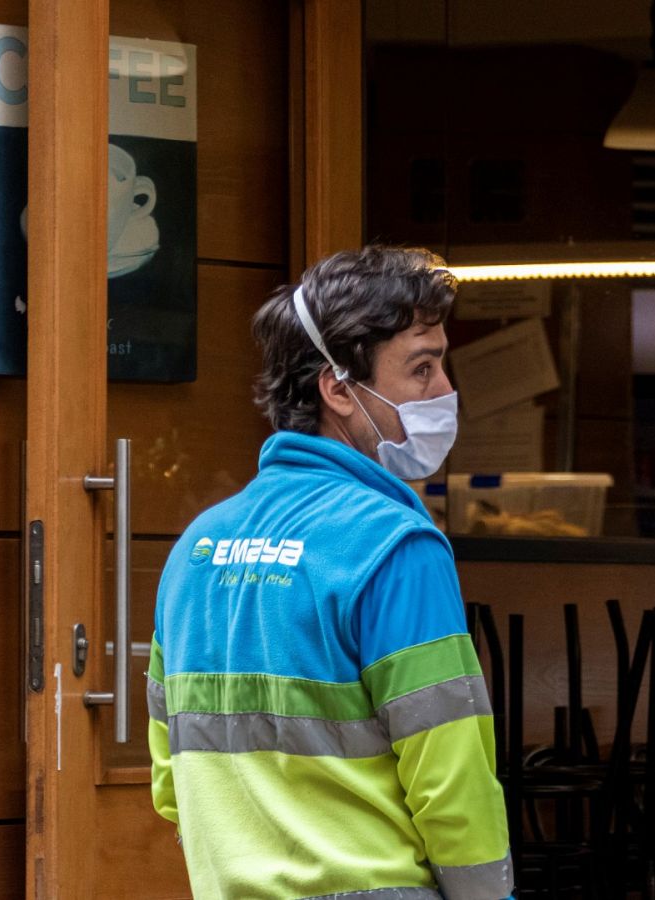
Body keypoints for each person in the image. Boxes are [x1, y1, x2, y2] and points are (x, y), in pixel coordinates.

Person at [146, 246, 512, 899]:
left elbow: (170, 781)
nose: (446, 392)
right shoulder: (394, 546)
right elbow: (449, 775)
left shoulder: (195, 549)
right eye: (422, 369)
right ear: (338, 388)